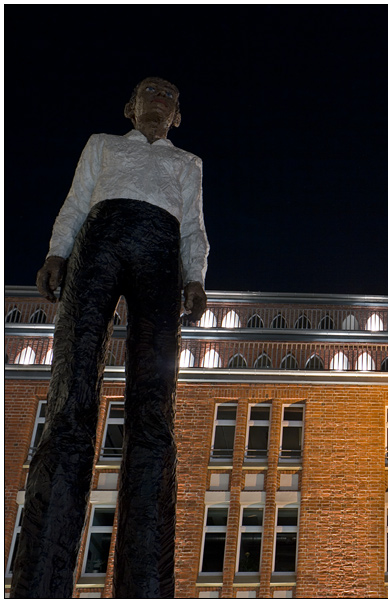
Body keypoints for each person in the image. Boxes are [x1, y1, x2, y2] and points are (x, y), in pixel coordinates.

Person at [10, 77, 209, 598]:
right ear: (131, 105)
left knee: (153, 406)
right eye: (151, 91)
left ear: (178, 116)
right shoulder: (102, 145)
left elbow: (193, 226)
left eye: (170, 94)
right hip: (99, 243)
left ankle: (144, 580)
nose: (161, 99)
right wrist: (58, 252)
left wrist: (195, 277)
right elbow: (76, 200)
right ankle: (43, 578)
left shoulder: (186, 163)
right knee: (73, 385)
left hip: (160, 255)